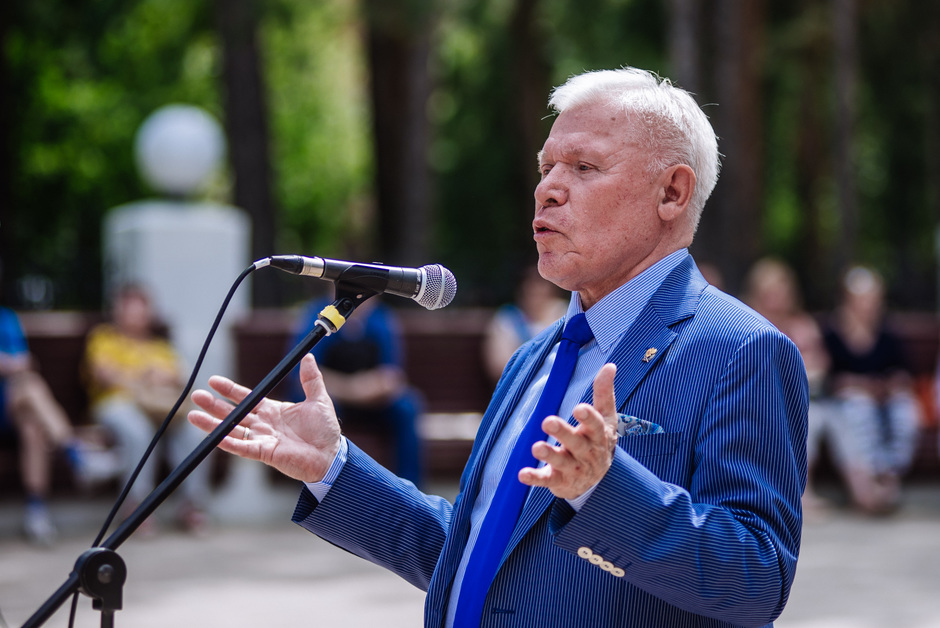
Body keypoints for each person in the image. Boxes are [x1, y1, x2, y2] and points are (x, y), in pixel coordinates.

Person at [189, 67, 808, 626]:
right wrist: (335, 469)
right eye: (546, 168)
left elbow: (756, 581)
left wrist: (604, 490)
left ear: (672, 193)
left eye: (584, 168)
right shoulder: (533, 358)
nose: (548, 190)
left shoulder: (742, 351)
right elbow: (478, 556)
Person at [83, 284, 210, 532]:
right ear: (118, 311)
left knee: (196, 431)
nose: (136, 316)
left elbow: (181, 378)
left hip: (159, 408)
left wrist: (157, 377)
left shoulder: (160, 347)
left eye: (141, 310)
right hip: (117, 403)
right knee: (138, 431)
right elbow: (103, 374)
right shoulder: (104, 338)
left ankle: (192, 505)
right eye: (130, 310)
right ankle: (136, 508)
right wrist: (144, 377)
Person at [287, 295, 424, 487]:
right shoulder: (317, 316)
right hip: (331, 400)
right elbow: (302, 371)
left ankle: (409, 488)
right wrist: (352, 388)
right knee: (317, 411)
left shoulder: (381, 318)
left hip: (372, 401)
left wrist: (354, 389)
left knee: (406, 407)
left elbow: (391, 377)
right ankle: (320, 487)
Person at [821, 266, 920, 514]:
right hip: (848, 405)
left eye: (872, 299)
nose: (867, 306)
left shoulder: (887, 333)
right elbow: (827, 379)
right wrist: (858, 385)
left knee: (905, 410)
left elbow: (903, 372)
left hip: (885, 401)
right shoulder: (832, 334)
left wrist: (890, 386)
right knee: (859, 407)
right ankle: (867, 483)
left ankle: (889, 476)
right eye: (861, 299)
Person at [743, 258, 833, 512]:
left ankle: (802, 492)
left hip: (800, 399)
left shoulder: (803, 326)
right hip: (755, 400)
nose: (777, 299)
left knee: (809, 419)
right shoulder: (747, 323)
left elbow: (819, 367)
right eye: (770, 293)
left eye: (782, 292)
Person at [0, 301, 87, 545]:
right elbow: (18, 362)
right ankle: (75, 453)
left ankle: (36, 511)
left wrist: (9, 364)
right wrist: (12, 364)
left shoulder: (6, 317)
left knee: (33, 427)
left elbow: (25, 362)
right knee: (30, 386)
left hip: (11, 405)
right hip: (12, 399)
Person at [482, 264, 568, 383]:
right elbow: (499, 366)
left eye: (541, 283)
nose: (535, 289)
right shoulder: (507, 319)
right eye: (529, 282)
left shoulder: (564, 313)